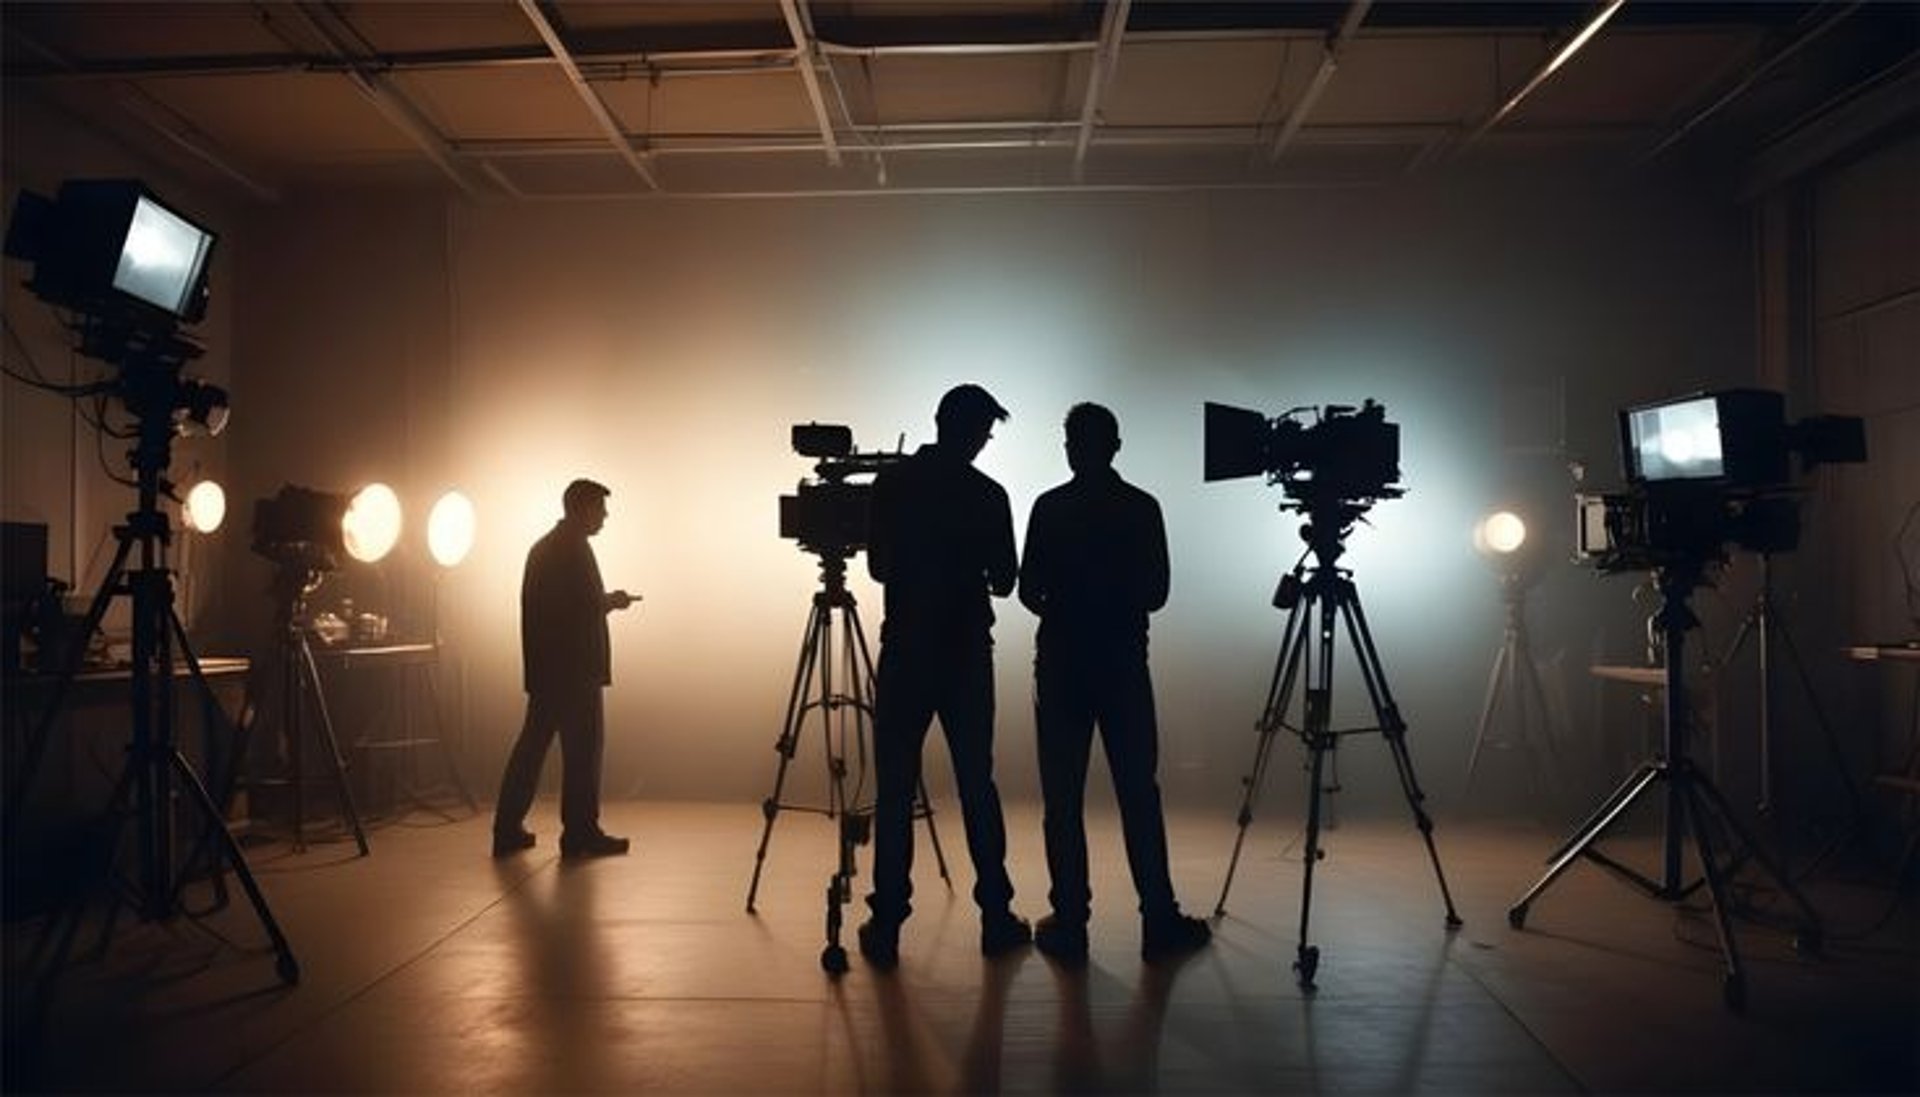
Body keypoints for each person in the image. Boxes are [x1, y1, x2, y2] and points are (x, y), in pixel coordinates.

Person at [1018, 403, 1211, 964]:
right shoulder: (1140, 508)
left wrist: (1068, 601)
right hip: (1123, 664)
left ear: (1072, 447)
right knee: (1137, 793)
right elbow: (1157, 592)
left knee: (1063, 798)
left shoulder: (1050, 508)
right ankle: (1158, 917)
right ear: (1116, 445)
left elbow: (1029, 591)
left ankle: (1071, 920)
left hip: (1060, 664)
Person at [858, 383, 1031, 969]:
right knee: (976, 784)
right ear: (976, 432)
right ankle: (996, 914)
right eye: (984, 433)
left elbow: (879, 566)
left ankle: (886, 921)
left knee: (894, 788)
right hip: (963, 653)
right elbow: (1007, 581)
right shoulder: (988, 495)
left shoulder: (892, 484)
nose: (984, 443)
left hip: (906, 647)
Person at [492, 478, 638, 859]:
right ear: (582, 508)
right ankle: (580, 833)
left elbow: (560, 607)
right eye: (600, 508)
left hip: (548, 671)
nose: (605, 516)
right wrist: (611, 601)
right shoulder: (573, 550)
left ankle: (507, 827)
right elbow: (579, 607)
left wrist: (602, 602)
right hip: (574, 671)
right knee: (583, 753)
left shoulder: (546, 548)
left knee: (532, 747)